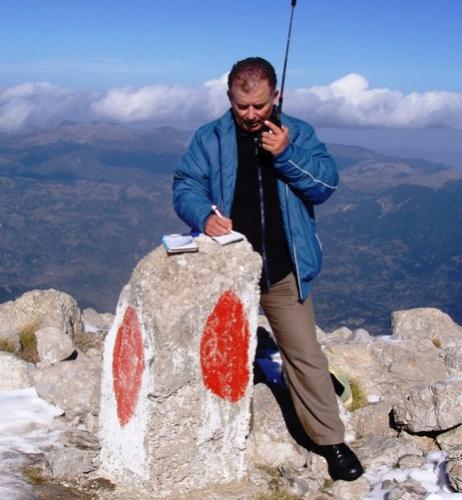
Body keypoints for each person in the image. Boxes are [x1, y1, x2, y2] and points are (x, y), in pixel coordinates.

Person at [173, 57, 363, 481]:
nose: (250, 114)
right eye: (242, 106)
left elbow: (326, 185)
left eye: (259, 105)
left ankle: (330, 440)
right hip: (227, 269)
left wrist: (287, 154)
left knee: (304, 354)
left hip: (282, 268)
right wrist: (203, 214)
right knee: (214, 348)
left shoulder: (297, 133)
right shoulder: (210, 137)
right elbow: (186, 184)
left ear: (275, 96)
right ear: (229, 98)